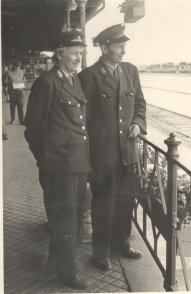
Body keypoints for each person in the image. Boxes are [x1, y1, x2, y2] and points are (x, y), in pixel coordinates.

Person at [24, 29, 91, 290]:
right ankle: (67, 273)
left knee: (71, 216)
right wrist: (46, 159)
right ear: (60, 54)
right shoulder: (47, 82)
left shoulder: (74, 80)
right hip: (58, 166)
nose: (79, 58)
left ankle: (55, 263)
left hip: (77, 163)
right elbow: (33, 128)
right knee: (65, 219)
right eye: (75, 53)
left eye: (81, 54)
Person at [78, 24, 147, 271]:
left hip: (127, 153)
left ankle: (122, 244)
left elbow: (139, 104)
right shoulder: (88, 77)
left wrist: (138, 124)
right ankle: (100, 253)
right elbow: (82, 121)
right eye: (119, 47)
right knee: (103, 205)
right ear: (105, 47)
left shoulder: (130, 71)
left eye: (124, 47)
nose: (123, 52)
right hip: (102, 155)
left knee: (126, 202)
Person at [2, 60, 26, 125]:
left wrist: (24, 81)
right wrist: (10, 82)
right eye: (16, 66)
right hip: (12, 91)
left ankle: (21, 120)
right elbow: (4, 82)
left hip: (20, 91)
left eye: (19, 66)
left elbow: (23, 79)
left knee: (21, 106)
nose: (18, 68)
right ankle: (12, 119)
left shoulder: (21, 72)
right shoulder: (8, 72)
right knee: (12, 106)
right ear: (13, 65)